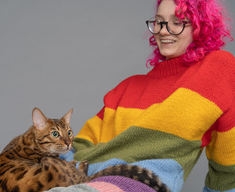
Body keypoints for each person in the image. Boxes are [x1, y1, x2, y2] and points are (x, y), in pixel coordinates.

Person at [48, 0, 235, 191]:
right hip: (83, 179)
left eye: (178, 22)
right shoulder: (126, 88)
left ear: (201, 27)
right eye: (159, 21)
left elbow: (229, 167)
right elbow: (78, 147)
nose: (163, 30)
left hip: (141, 182)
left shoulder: (216, 68)